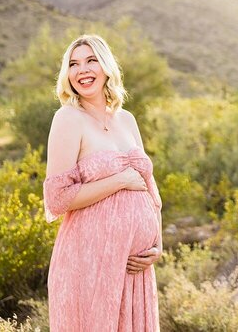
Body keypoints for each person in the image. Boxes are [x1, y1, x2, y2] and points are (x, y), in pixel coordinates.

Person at [43, 34, 162, 332]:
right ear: (67, 74)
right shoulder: (68, 119)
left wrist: (157, 244)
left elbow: (150, 189)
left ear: (107, 66)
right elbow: (57, 199)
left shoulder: (127, 120)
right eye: (74, 64)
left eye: (91, 60)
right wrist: (119, 180)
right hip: (89, 265)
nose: (82, 69)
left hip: (134, 270)